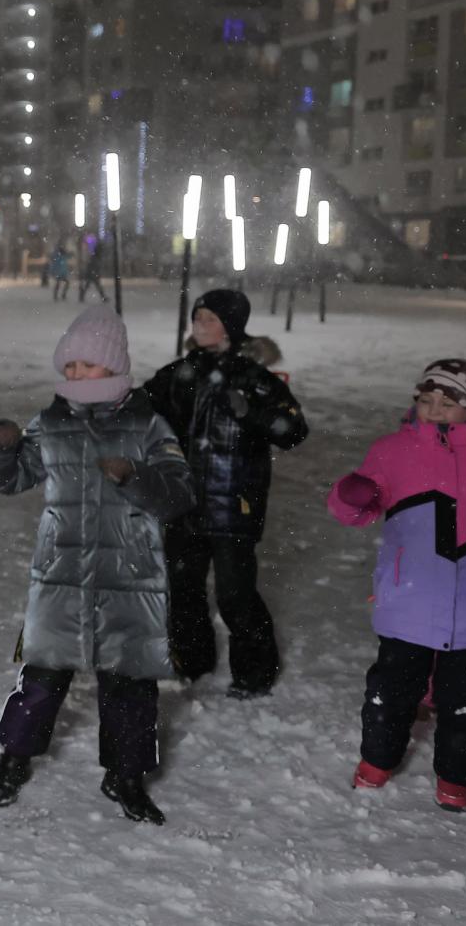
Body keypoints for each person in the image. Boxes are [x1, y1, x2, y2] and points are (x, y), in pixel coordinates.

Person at [0, 305, 194, 825]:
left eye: (86, 365)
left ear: (114, 366)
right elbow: (11, 479)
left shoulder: (148, 424)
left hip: (130, 578)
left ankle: (126, 775)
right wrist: (0, 448)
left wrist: (134, 478)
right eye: (68, 366)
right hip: (62, 577)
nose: (74, 375)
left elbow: (179, 495)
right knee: (42, 680)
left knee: (130, 686)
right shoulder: (50, 422)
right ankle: (14, 758)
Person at [328, 359, 466, 813]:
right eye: (426, 400)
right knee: (389, 692)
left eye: (448, 403)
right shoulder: (393, 450)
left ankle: (455, 778)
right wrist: (353, 494)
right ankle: (377, 760)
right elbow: (355, 511)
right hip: (409, 598)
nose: (434, 410)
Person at [144, 289, 307, 698]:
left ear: (231, 326)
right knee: (183, 589)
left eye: (210, 318)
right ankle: (192, 661)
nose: (200, 324)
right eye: (197, 317)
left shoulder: (254, 378)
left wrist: (251, 412)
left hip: (236, 503)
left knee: (235, 594)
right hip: (183, 501)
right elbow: (138, 410)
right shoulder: (179, 373)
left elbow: (293, 431)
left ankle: (254, 673)